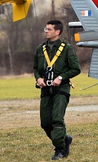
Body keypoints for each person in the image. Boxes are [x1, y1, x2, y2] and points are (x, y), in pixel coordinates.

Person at [34, 20, 81, 160]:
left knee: (57, 119)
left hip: (61, 89)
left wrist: (61, 77)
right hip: (45, 90)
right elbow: (36, 68)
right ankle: (64, 139)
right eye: (45, 28)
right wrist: (38, 78)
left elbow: (76, 69)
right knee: (45, 123)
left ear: (57, 32)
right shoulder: (40, 49)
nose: (46, 31)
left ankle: (59, 150)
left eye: (48, 29)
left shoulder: (66, 48)